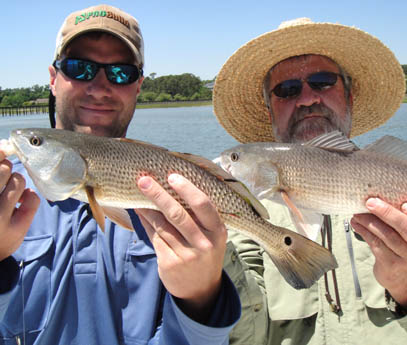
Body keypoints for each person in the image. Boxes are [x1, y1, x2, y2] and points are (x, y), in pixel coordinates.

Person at [0, 4, 240, 344]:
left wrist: (200, 299)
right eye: (79, 68)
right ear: (53, 79)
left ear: (139, 85)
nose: (99, 87)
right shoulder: (4, 191)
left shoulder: (189, 200)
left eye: (121, 73)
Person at [214, 18, 407, 344]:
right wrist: (208, 266)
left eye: (323, 81)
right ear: (269, 111)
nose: (306, 99)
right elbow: (244, 335)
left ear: (350, 96)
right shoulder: (240, 214)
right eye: (286, 90)